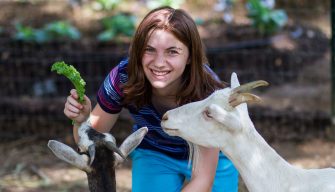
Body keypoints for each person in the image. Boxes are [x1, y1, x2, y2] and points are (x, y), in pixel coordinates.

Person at [64, 6, 239, 192]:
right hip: (155, 152)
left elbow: (203, 180)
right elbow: (92, 138)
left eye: (172, 51)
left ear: (189, 56)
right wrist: (81, 121)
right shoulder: (123, 77)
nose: (159, 62)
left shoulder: (206, 91)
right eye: (149, 50)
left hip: (213, 158)